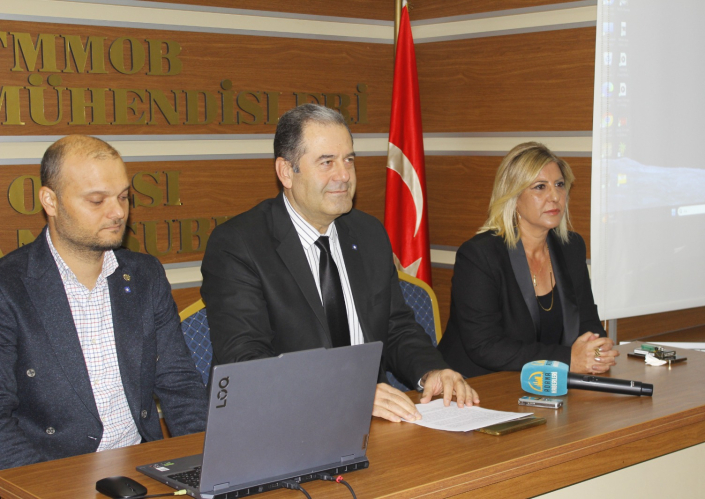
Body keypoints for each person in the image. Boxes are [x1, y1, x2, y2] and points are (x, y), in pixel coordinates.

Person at [201, 104, 479, 423]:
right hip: (281, 422)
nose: (344, 175)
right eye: (327, 162)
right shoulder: (239, 244)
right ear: (286, 171)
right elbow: (247, 362)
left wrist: (432, 370)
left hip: (373, 420)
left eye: (349, 160)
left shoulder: (368, 233)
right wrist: (349, 393)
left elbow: (395, 327)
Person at [0, 135, 207, 470]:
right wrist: (50, 488)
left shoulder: (145, 275)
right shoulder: (9, 287)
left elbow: (180, 384)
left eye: (123, 197)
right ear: (50, 201)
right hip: (51, 473)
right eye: (97, 201)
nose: (117, 212)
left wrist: (208, 466)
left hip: (141, 467)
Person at [438, 142, 619, 377]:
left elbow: (587, 322)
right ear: (513, 196)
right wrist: (567, 360)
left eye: (559, 185)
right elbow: (486, 346)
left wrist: (596, 351)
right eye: (540, 187)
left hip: (544, 383)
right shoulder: (479, 256)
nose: (554, 196)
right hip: (477, 384)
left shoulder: (571, 247)